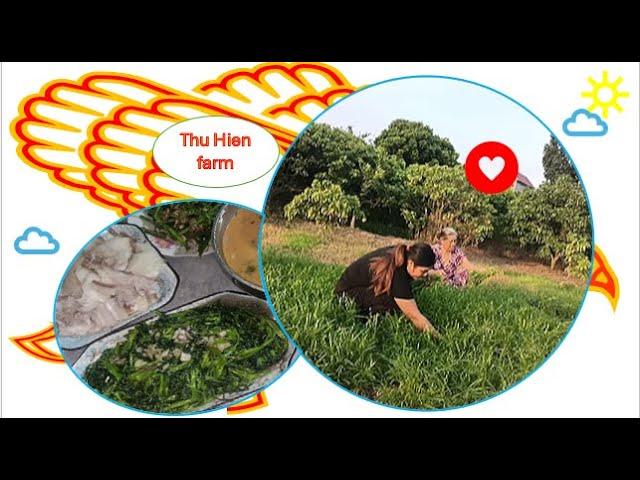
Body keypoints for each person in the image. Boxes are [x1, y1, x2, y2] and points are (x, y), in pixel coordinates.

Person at [334, 243, 439, 335]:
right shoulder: (398, 275)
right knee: (396, 307)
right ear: (411, 264)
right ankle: (368, 322)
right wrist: (440, 339)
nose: (425, 275)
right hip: (345, 295)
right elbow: (415, 316)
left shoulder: (402, 254)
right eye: (423, 271)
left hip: (354, 285)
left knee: (404, 296)